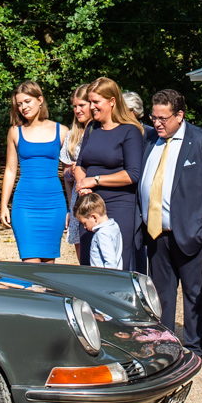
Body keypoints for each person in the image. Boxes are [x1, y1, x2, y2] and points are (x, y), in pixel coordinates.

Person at [139, 89, 202, 357]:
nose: (157, 122)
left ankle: (194, 347)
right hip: (156, 231)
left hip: (190, 231)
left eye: (163, 118)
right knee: (161, 294)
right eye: (154, 116)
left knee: (194, 294)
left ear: (180, 115)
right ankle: (166, 344)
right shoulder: (150, 139)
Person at [72, 78, 147, 269]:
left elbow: (132, 174)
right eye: (90, 102)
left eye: (96, 102)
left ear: (112, 101)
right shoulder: (91, 128)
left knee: (113, 266)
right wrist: (82, 186)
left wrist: (95, 181)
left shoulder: (130, 131)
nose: (92, 107)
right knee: (89, 265)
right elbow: (80, 164)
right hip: (89, 207)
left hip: (118, 207)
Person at [0, 82, 66, 262]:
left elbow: (70, 174)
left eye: (27, 101)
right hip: (25, 205)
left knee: (48, 268)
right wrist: (4, 204)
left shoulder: (62, 131)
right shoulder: (14, 132)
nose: (23, 107)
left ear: (40, 100)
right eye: (19, 104)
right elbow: (11, 170)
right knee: (30, 266)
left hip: (54, 205)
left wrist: (72, 209)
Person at [60, 83, 95, 248]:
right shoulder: (71, 135)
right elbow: (65, 175)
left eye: (82, 105)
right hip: (77, 199)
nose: (77, 110)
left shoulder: (101, 132)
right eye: (74, 106)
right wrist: (71, 172)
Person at [74, 192, 123, 270]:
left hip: (104, 278)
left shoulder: (102, 234)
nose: (85, 227)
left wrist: (108, 278)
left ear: (94, 217)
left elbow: (110, 262)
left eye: (84, 223)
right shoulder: (114, 226)